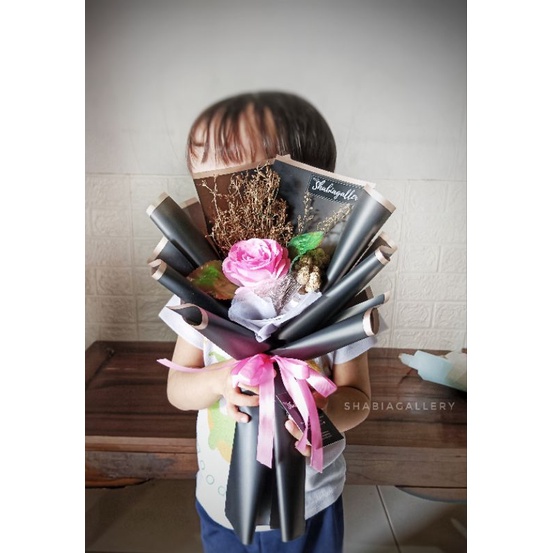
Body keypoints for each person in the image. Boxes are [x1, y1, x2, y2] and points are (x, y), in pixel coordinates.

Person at [159, 91, 373, 552]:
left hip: (311, 498)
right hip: (221, 496)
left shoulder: (337, 289)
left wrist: (323, 415)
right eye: (203, 173)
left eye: (236, 172)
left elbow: (359, 400)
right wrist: (217, 379)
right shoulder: (202, 284)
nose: (219, 192)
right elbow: (178, 390)